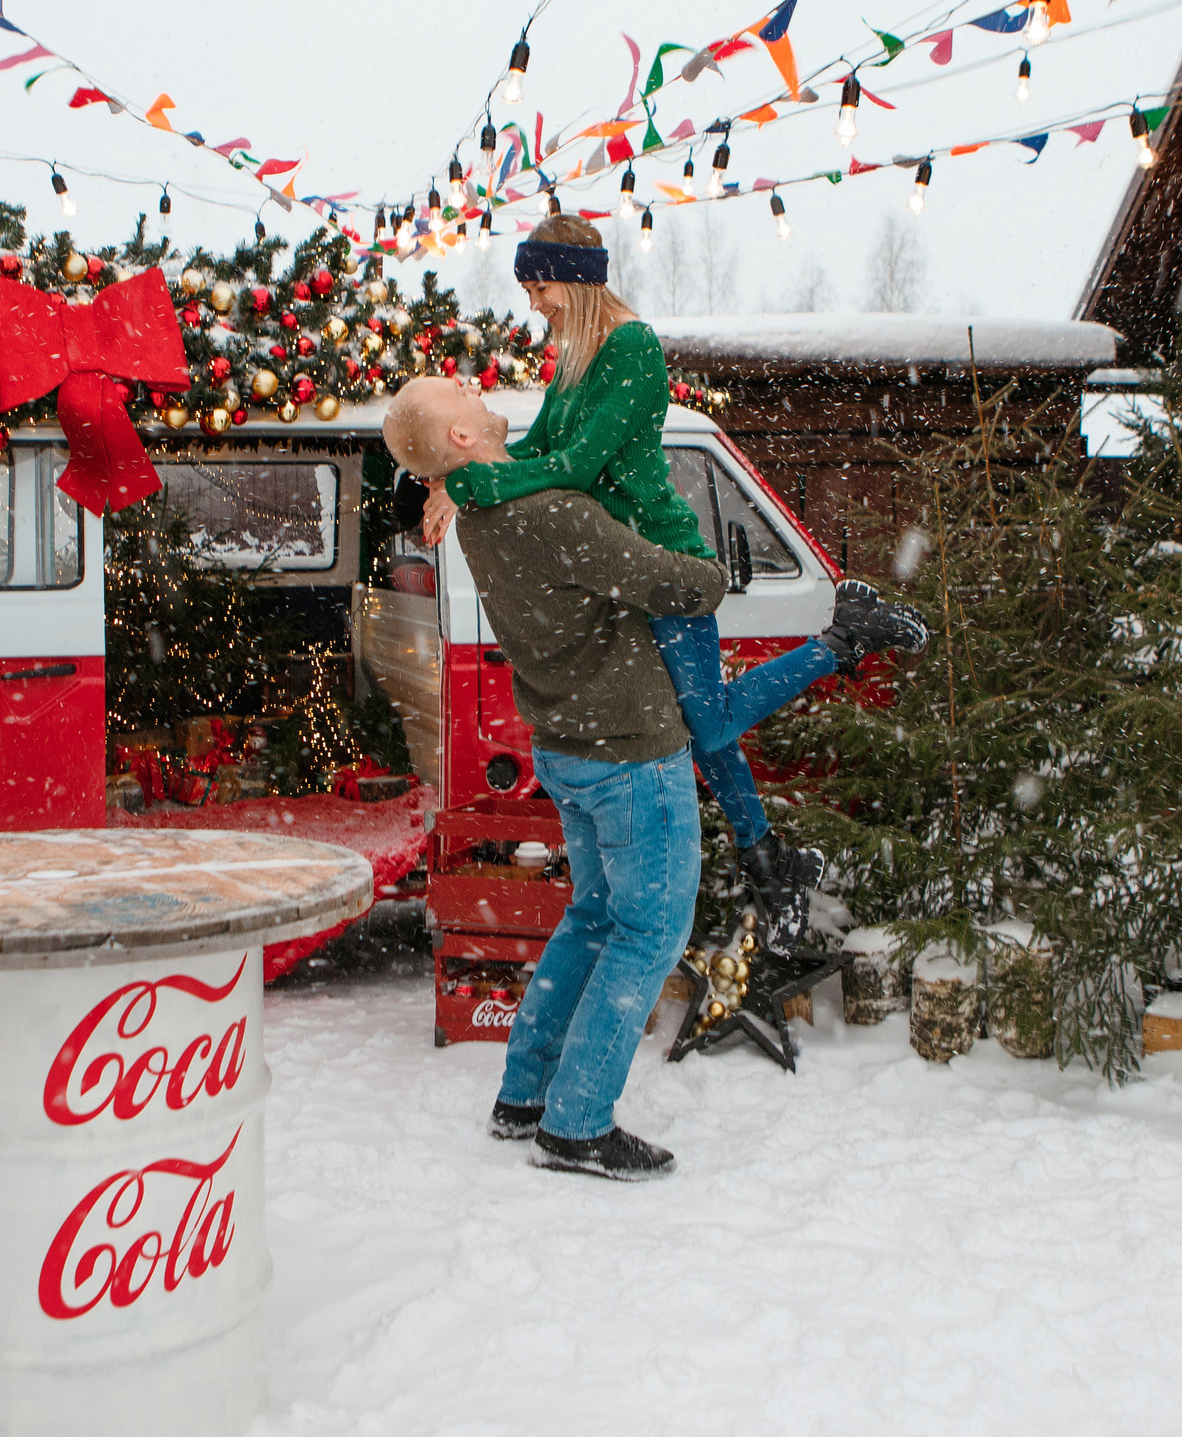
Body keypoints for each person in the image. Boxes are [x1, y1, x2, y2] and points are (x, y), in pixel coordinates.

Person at [381, 376, 914, 1181]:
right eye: (456, 393)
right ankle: (578, 1123)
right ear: (460, 440)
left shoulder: (485, 510)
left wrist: (454, 483)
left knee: (593, 918)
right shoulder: (550, 513)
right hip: (631, 754)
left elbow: (524, 466)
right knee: (649, 934)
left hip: (572, 749)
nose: (471, 386)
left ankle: (524, 1094)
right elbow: (691, 585)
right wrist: (689, 549)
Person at [423, 215, 924, 938]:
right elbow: (542, 444)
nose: (534, 304)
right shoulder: (576, 353)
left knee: (707, 720)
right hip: (620, 572)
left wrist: (470, 486)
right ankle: (764, 855)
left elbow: (576, 467)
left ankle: (842, 641)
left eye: (539, 287)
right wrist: (460, 473)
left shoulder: (633, 349)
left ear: (574, 277)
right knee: (703, 729)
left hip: (660, 560)